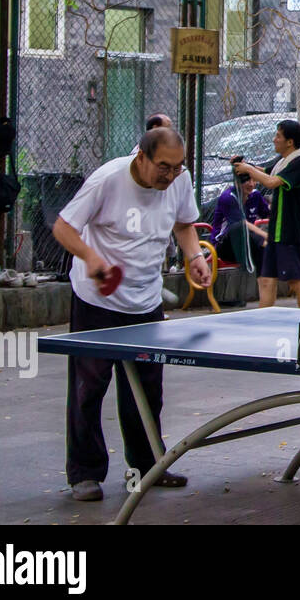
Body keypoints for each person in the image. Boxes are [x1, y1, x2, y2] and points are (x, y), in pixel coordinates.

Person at [52, 127, 212, 502]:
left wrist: (195, 256)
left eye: (177, 167)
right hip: (97, 301)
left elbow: (184, 224)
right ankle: (85, 474)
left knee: (146, 390)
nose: (170, 175)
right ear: (141, 156)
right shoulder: (107, 180)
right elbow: (63, 227)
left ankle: (146, 468)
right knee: (88, 388)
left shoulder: (179, 180)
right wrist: (92, 257)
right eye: (163, 167)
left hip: (145, 301)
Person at [233, 119, 300, 310]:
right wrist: (243, 165)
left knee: (295, 281)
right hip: (275, 234)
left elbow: (271, 182)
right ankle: (264, 324)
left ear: (290, 142)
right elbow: (265, 172)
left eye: (278, 136)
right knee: (267, 280)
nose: (274, 139)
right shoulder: (283, 161)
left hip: (290, 232)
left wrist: (249, 170)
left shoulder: (299, 163)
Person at [209, 174, 269, 269]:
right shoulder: (228, 197)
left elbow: (269, 214)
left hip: (247, 244)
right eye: (247, 181)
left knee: (266, 254)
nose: (252, 184)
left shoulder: (255, 195)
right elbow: (241, 224)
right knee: (239, 227)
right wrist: (266, 237)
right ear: (237, 182)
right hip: (225, 246)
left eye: (254, 180)